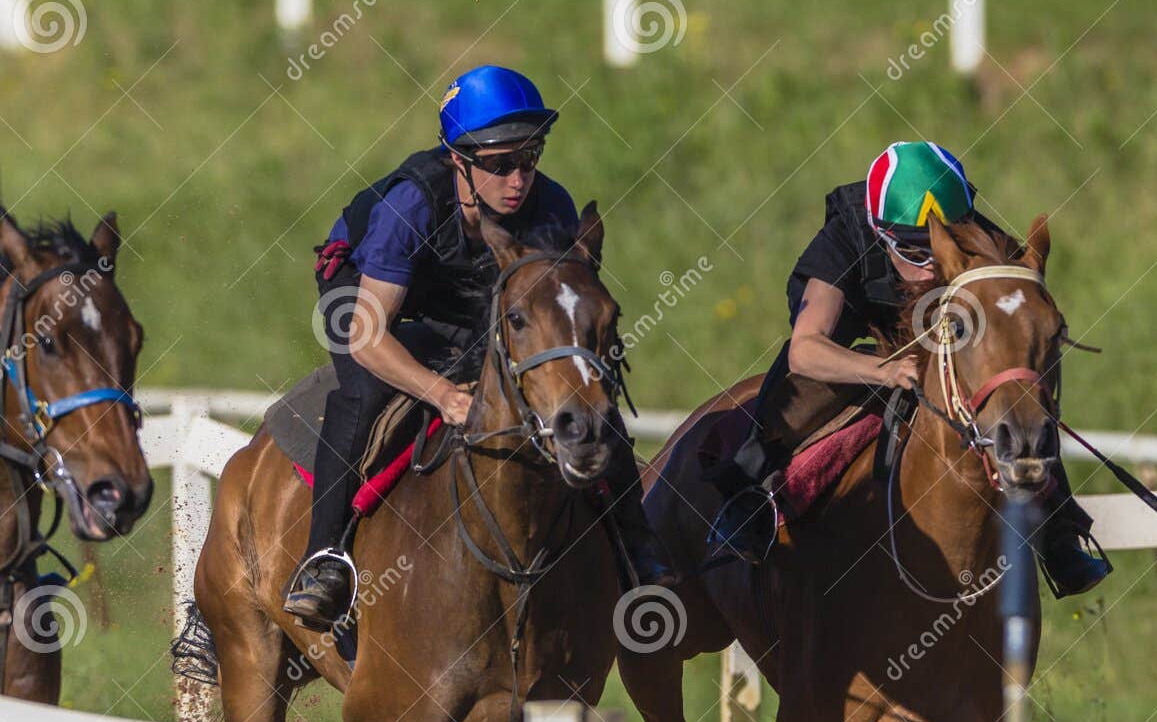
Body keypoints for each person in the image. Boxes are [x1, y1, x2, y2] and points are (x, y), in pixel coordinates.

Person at [282, 65, 673, 630]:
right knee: (365, 391)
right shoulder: (411, 207)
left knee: (588, 396)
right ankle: (323, 559)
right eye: (499, 165)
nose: (519, 180)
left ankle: (639, 545)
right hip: (371, 298)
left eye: (529, 158)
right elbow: (369, 338)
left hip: (472, 298)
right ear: (458, 161)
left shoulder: (553, 208)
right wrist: (442, 394)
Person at [707, 140, 1110, 597]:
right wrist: (882, 371)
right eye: (917, 254)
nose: (931, 267)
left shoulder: (977, 235)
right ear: (882, 235)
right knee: (796, 393)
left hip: (940, 332)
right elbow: (807, 349)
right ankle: (747, 504)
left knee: (1020, 402)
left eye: (940, 246)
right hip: (855, 333)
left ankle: (1059, 531)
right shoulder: (845, 239)